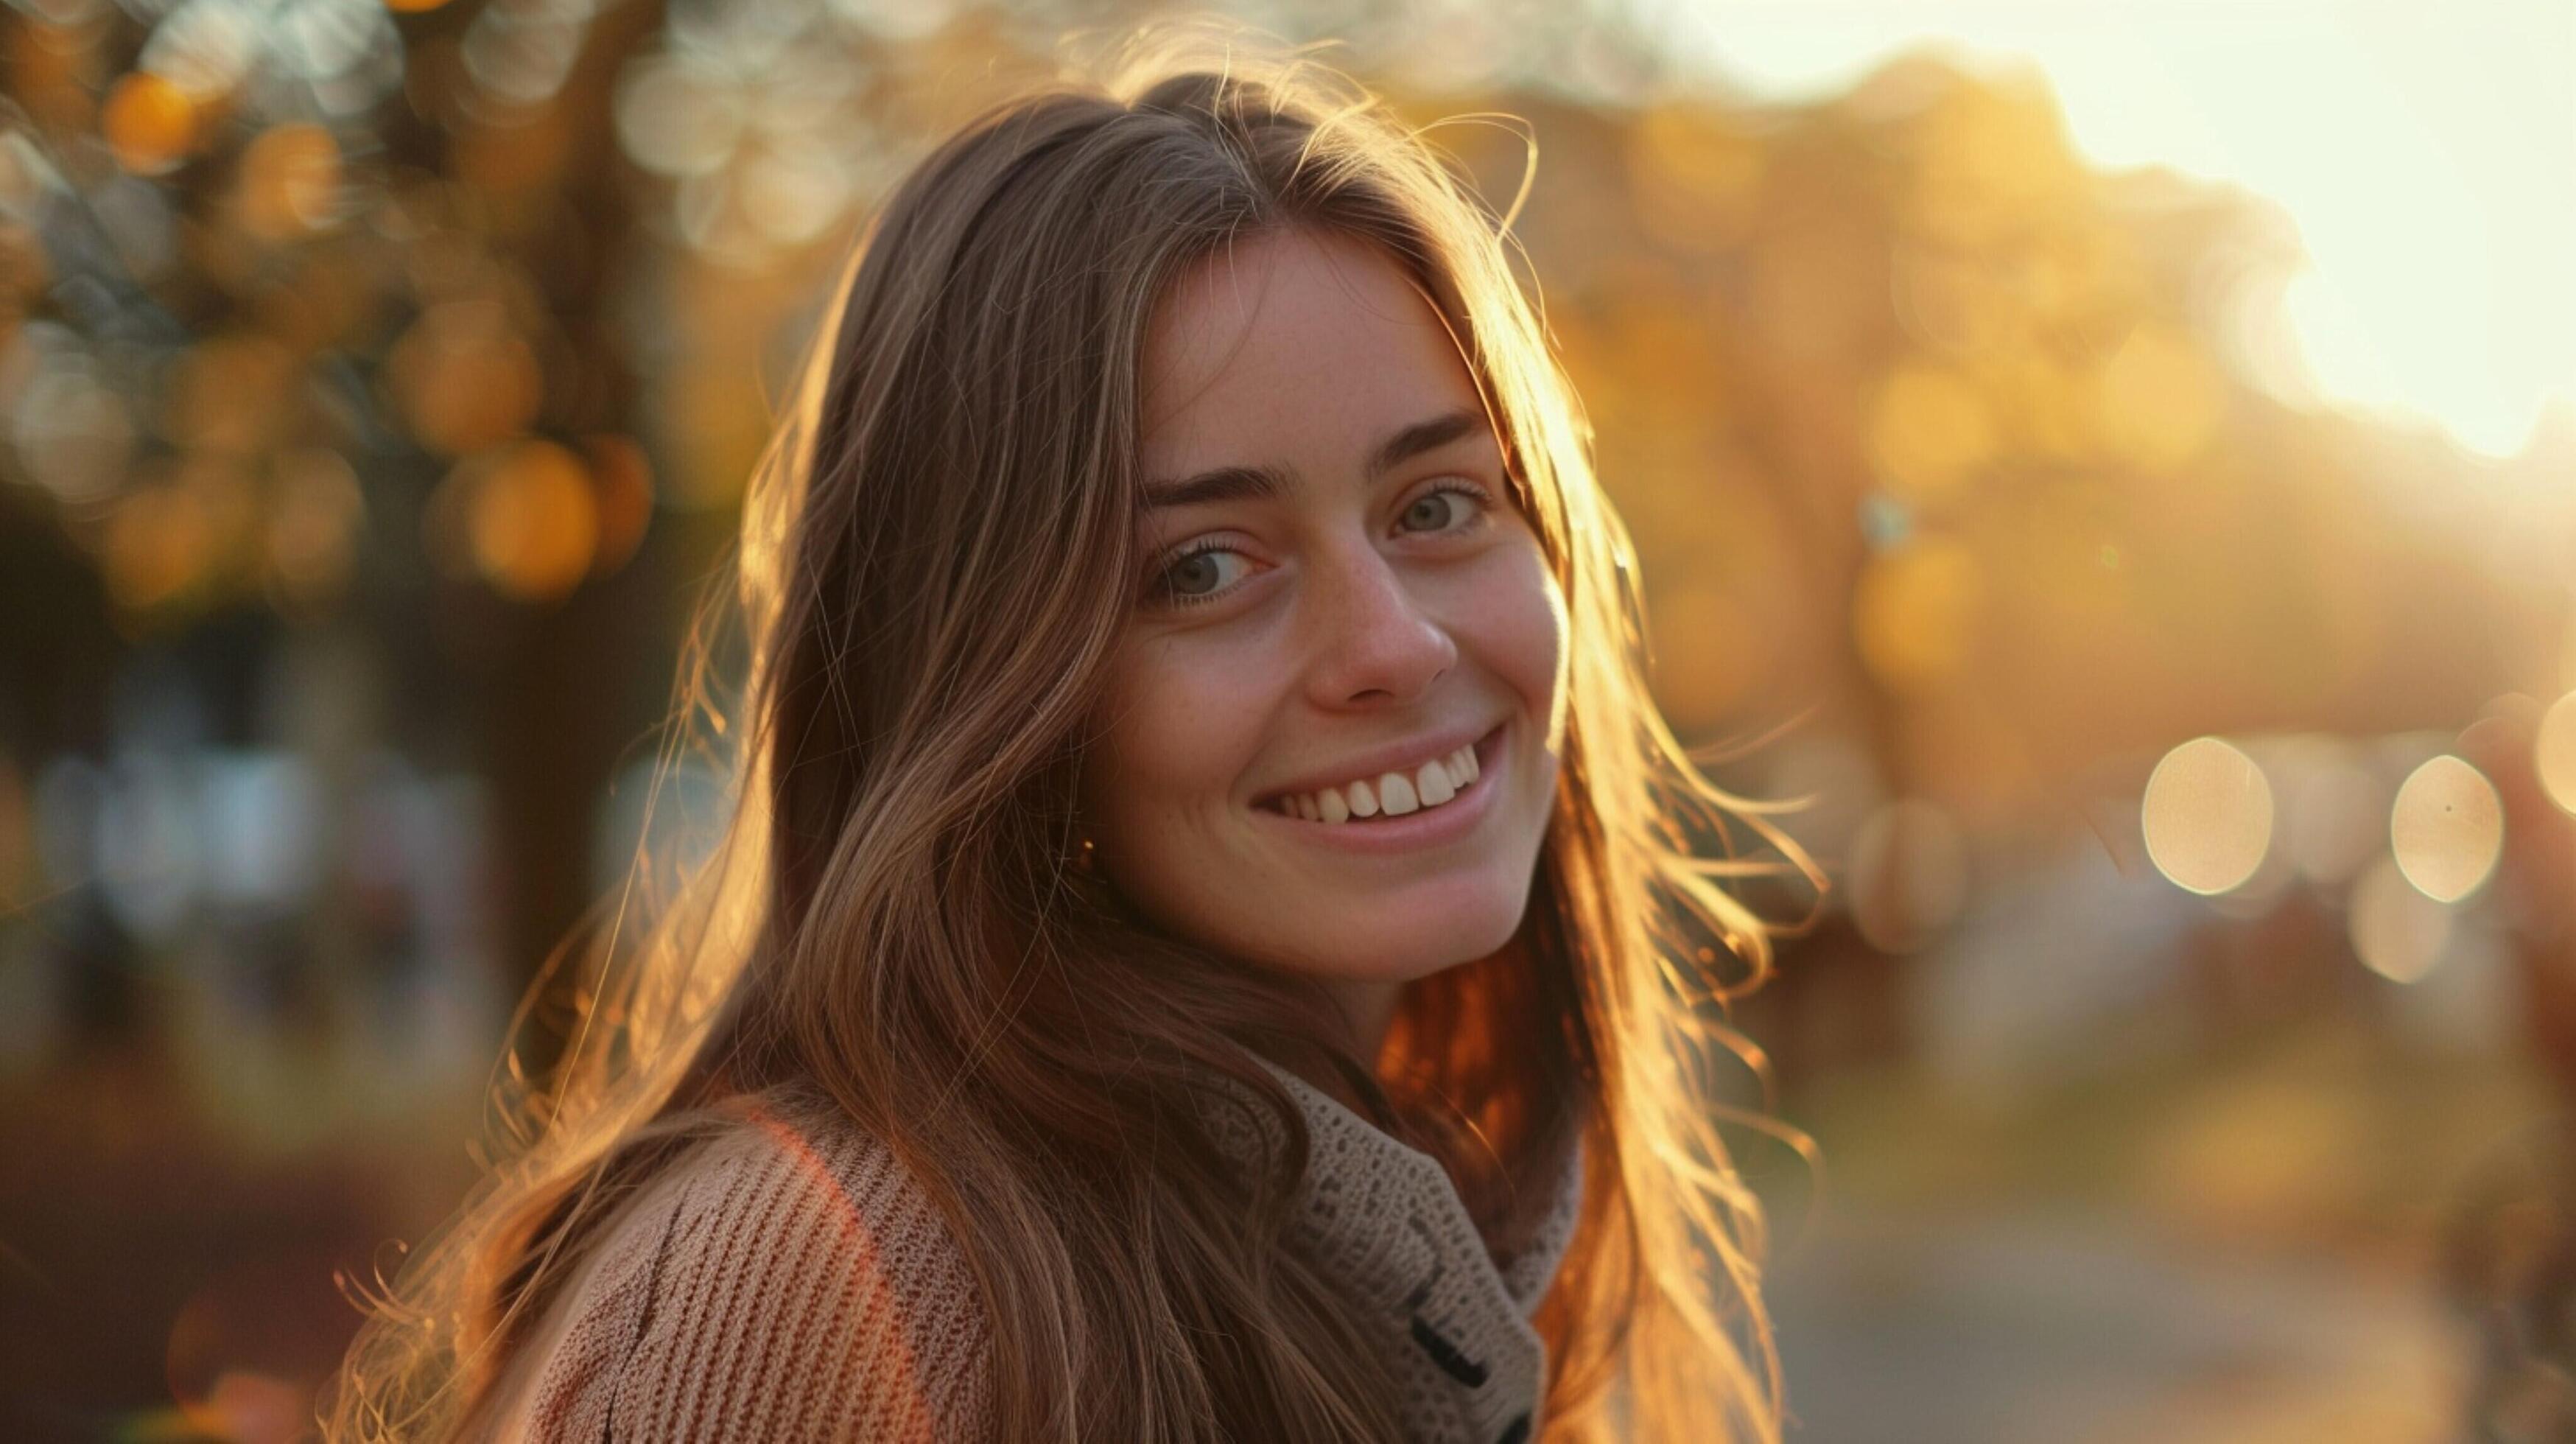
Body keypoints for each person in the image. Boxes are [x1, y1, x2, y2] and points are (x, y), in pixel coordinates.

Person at [324, 25, 1820, 1444]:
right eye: (1204, 567)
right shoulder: (823, 1280)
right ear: (987, 681)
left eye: (1436, 505)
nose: (1396, 644)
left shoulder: (1423, 1233)